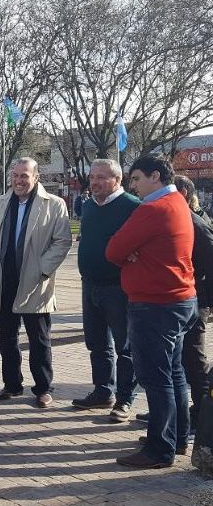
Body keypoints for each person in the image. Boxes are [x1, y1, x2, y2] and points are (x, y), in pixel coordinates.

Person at [107, 154, 196, 468]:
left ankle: (160, 449)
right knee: (173, 374)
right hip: (178, 301)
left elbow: (114, 249)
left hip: (155, 305)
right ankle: (176, 437)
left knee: (157, 380)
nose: (134, 186)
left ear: (155, 176)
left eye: (136, 179)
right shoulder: (179, 203)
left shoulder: (154, 208)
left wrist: (134, 253)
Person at [0, 158, 72, 408]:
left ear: (36, 177)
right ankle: (12, 385)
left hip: (34, 282)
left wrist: (43, 269)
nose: (19, 180)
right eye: (16, 175)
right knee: (6, 338)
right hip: (4, 280)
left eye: (25, 176)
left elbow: (62, 241)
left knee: (39, 339)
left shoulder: (54, 205)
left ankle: (43, 388)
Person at [71, 159, 140, 422]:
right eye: (92, 178)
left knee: (125, 346)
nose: (95, 182)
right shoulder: (89, 206)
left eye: (101, 177)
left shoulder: (132, 207)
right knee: (97, 344)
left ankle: (125, 399)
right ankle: (103, 390)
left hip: (118, 288)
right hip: (90, 284)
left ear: (117, 180)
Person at [173, 175, 213, 433]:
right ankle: (182, 411)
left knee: (194, 360)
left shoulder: (196, 225)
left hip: (194, 302)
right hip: (179, 302)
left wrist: (204, 304)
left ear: (184, 195)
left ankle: (202, 414)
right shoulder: (178, 221)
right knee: (181, 360)